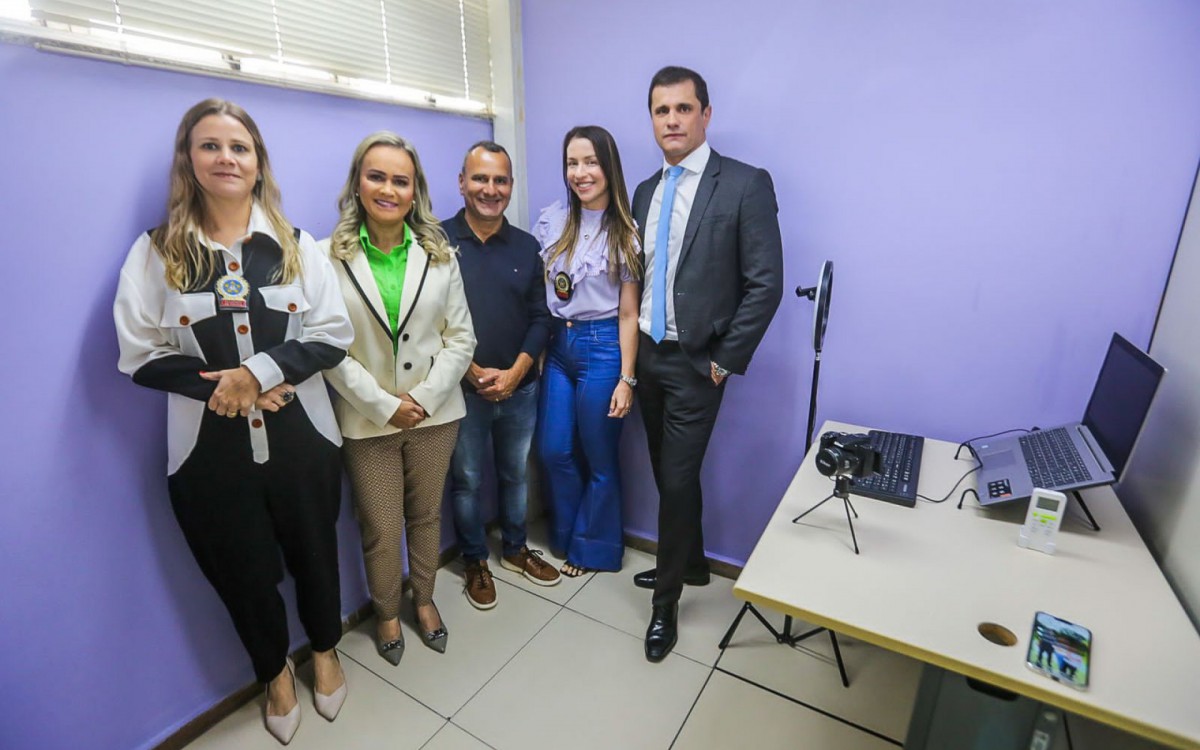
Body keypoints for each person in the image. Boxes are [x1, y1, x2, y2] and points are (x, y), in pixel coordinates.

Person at [114, 98, 352, 744]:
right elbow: (138, 352)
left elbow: (333, 333)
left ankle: (325, 650)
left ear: (258, 162)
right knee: (242, 574)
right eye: (210, 146)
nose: (226, 158)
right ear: (188, 160)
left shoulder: (298, 246)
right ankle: (274, 673)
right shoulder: (156, 253)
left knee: (316, 555)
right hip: (207, 455)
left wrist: (261, 375)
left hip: (304, 440)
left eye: (239, 147)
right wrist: (234, 389)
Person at [631, 66, 784, 662]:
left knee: (674, 479)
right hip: (648, 355)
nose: (672, 120)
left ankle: (665, 602)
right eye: (661, 110)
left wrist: (723, 362)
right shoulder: (645, 191)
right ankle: (690, 562)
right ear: (652, 119)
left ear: (705, 114)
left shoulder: (744, 184)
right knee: (669, 472)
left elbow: (765, 284)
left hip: (699, 364)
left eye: (683, 108)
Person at [322, 132, 476, 663]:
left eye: (400, 180)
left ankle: (425, 600)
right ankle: (387, 611)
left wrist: (424, 399)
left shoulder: (440, 255)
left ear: (415, 192)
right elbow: (327, 347)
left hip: (435, 415)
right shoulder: (325, 257)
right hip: (367, 420)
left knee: (426, 516)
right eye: (376, 177)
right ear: (357, 185)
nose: (388, 189)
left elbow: (462, 339)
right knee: (381, 527)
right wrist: (386, 405)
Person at [445, 141, 559, 609]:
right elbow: (428, 320)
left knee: (515, 475)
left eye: (500, 180)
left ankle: (515, 548)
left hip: (520, 388)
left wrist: (516, 372)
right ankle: (475, 559)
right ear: (462, 182)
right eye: (480, 178)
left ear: (510, 185)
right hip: (460, 390)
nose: (490, 189)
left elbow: (541, 317)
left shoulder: (527, 246)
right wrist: (469, 370)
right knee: (467, 480)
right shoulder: (436, 242)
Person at [532, 126, 641, 577]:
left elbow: (629, 314)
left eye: (591, 162)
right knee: (553, 450)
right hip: (559, 345)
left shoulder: (624, 232)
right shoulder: (553, 221)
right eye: (572, 163)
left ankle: (592, 548)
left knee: (599, 457)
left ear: (609, 167)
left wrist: (627, 378)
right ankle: (566, 535)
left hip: (603, 347)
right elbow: (543, 293)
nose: (580, 173)